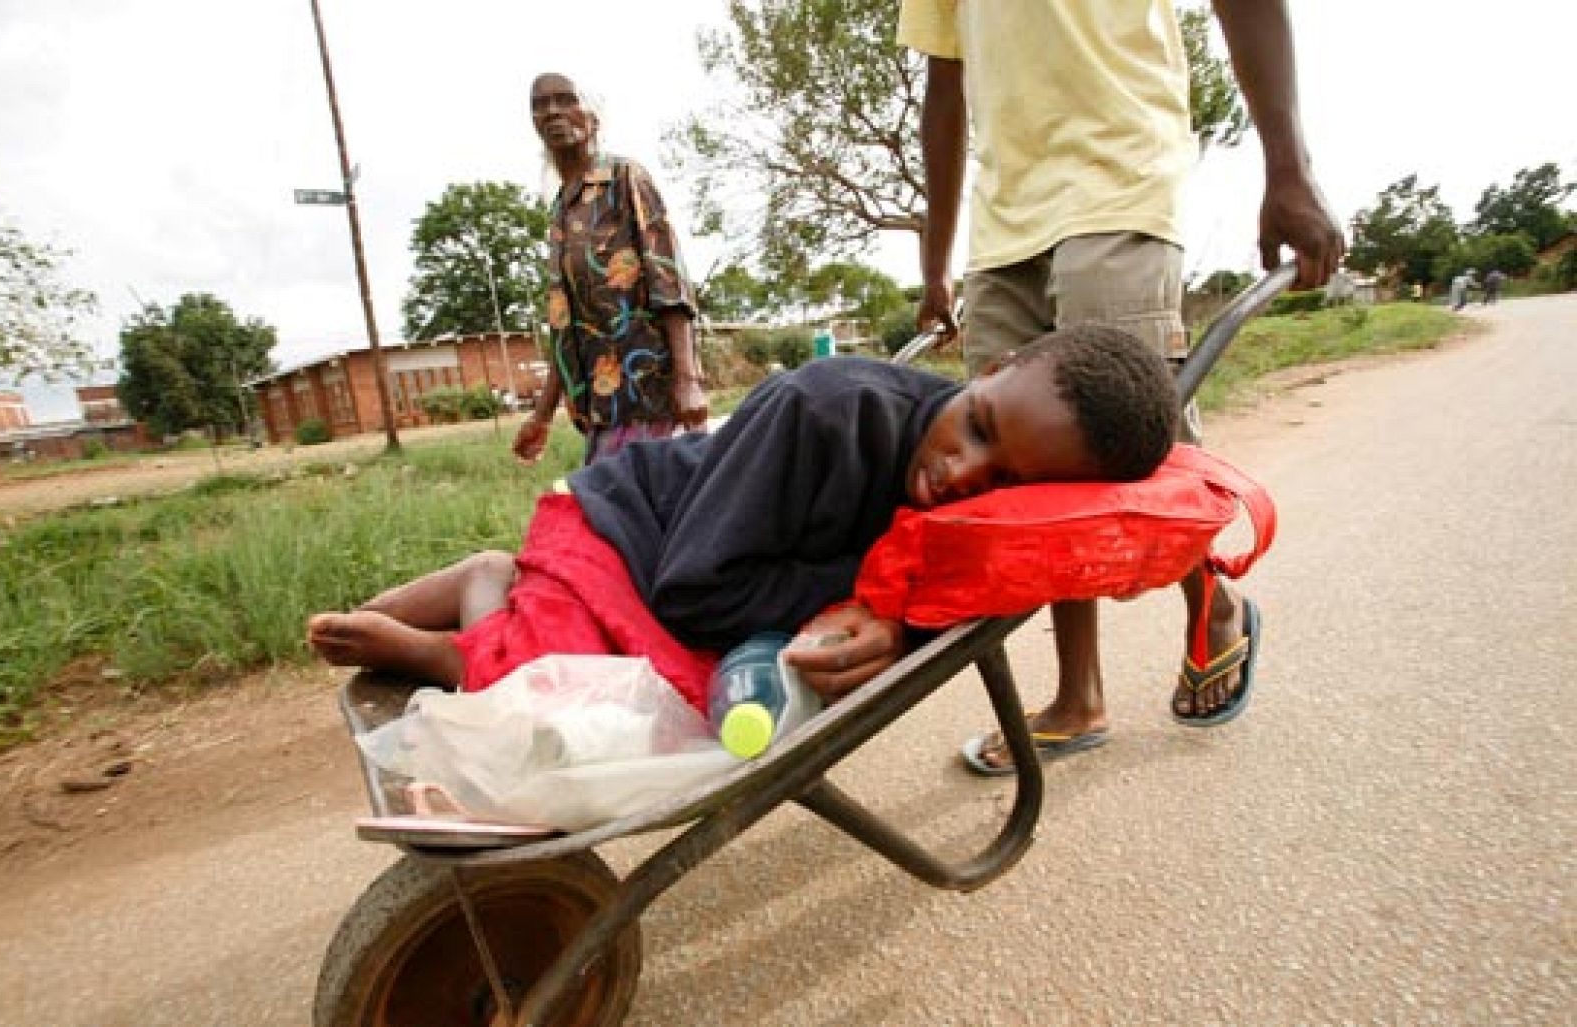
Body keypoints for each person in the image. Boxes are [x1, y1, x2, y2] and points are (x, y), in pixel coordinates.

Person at [899, 0, 1347, 772]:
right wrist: (936, 262)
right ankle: (1080, 693)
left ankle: (1217, 603)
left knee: (1133, 440)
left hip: (1118, 176)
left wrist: (1289, 168)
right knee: (1022, 472)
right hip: (1004, 220)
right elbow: (946, 88)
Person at [308, 326, 1181, 708]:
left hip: (706, 569)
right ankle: (474, 608)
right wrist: (871, 599)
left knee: (628, 710)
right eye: (978, 425)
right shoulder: (827, 411)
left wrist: (902, 627)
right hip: (629, 532)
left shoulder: (993, 518)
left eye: (1005, 481)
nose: (961, 474)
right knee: (558, 693)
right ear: (993, 366)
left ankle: (493, 620)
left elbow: (931, 593)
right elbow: (693, 592)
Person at [512, 72, 708, 467]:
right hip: (601, 409)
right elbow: (567, 326)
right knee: (616, 514)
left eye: (565, 99)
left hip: (653, 397)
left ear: (594, 117)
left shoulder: (624, 179)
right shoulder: (560, 210)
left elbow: (668, 281)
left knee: (644, 515)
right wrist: (542, 417)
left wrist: (688, 381)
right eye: (540, 104)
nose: (551, 111)